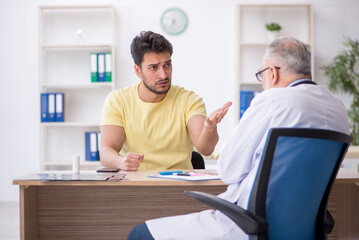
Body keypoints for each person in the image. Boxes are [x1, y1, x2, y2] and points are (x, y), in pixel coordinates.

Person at [127, 37, 350, 239]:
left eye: (261, 76)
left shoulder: (272, 100)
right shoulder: (338, 109)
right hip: (301, 228)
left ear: (271, 73)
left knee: (139, 235)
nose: (263, 84)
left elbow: (228, 170)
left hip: (247, 225)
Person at [100, 31, 232, 171]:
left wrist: (209, 128)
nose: (163, 75)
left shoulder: (189, 100)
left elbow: (205, 149)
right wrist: (120, 162)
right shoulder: (118, 100)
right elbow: (106, 152)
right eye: (153, 67)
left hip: (178, 185)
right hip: (135, 185)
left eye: (167, 65)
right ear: (138, 71)